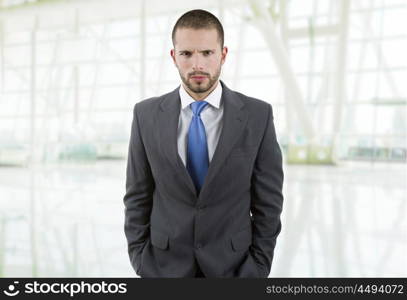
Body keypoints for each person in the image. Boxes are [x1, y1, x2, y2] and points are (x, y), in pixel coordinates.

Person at [123, 9, 284, 278]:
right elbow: (137, 196)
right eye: (186, 54)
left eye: (207, 53)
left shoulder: (258, 115)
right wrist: (141, 259)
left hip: (234, 269)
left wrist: (257, 268)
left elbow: (269, 203)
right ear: (174, 57)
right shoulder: (145, 115)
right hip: (163, 269)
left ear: (223, 55)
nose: (197, 64)